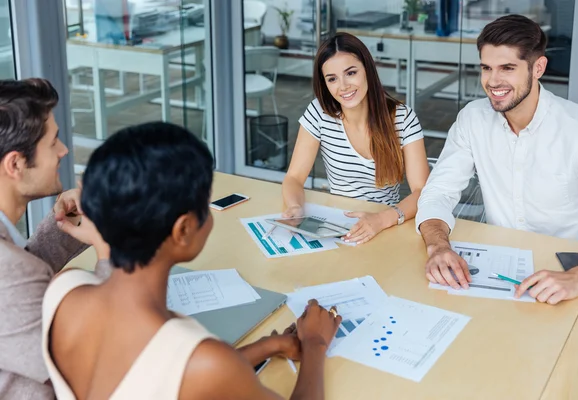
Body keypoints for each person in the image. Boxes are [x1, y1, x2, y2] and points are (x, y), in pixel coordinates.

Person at [42, 122, 342, 400]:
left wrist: (268, 346)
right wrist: (315, 343)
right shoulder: (202, 359)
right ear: (183, 229)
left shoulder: (63, 290)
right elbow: (195, 367)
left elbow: (159, 374)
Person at [415, 15, 578, 305]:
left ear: (538, 68)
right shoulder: (472, 119)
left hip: (577, 278)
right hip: (501, 274)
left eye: (507, 68)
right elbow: (438, 192)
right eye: (486, 68)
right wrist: (438, 246)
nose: (493, 81)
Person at [0, 78, 111, 399]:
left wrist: (63, 225)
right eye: (54, 142)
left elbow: (20, 287)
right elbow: (95, 362)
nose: (64, 151)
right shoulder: (9, 272)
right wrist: (107, 251)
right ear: (16, 163)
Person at [282, 32, 430, 245]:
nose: (343, 86)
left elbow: (422, 191)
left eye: (350, 73)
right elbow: (294, 177)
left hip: (384, 226)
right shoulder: (319, 113)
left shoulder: (402, 118)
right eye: (332, 79)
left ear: (367, 70)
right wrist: (295, 206)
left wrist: (381, 220)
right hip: (337, 227)